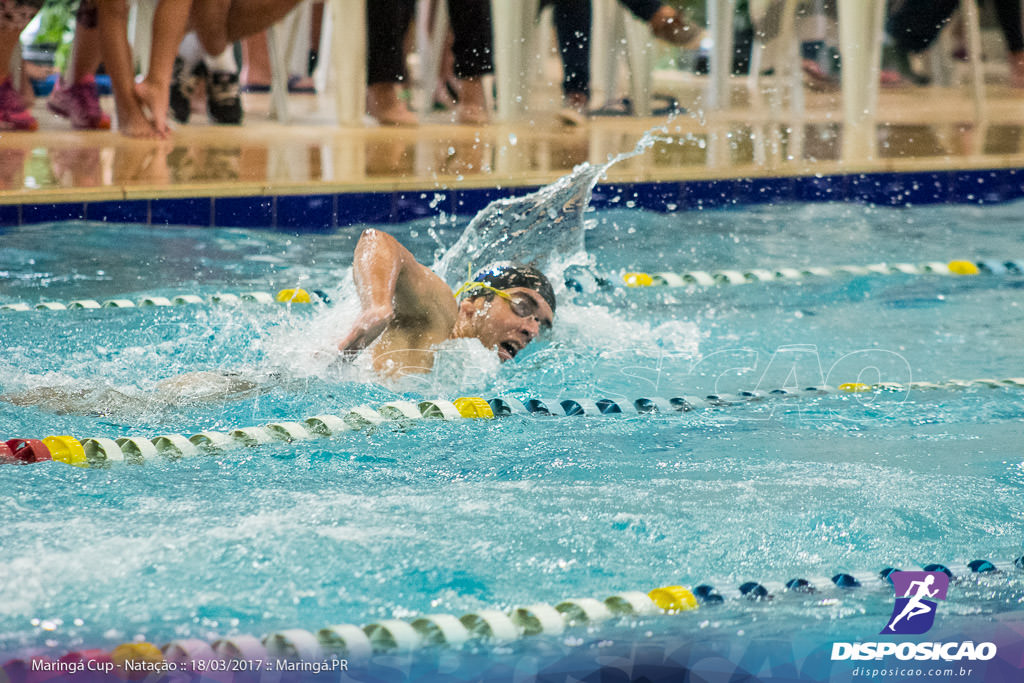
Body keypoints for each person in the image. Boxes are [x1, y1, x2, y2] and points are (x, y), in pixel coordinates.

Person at [338, 229, 555, 376]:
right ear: (473, 303)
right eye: (522, 306)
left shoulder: (472, 370)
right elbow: (376, 240)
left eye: (541, 323)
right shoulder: (440, 315)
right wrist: (377, 306)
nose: (532, 330)